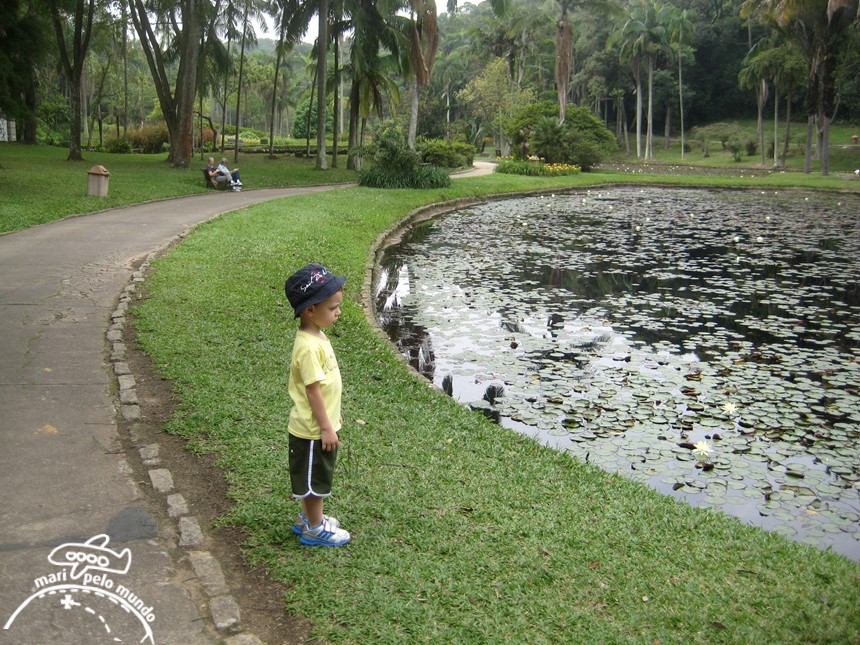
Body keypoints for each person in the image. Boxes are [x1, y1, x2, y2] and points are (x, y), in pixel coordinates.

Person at [284, 264, 351, 547]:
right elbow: (312, 392)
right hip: (312, 431)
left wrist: (334, 415)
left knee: (314, 477)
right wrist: (326, 427)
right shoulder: (309, 347)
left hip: (319, 425)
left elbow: (325, 388)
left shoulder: (317, 336)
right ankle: (314, 528)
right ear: (311, 310)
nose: (338, 312)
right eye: (333, 308)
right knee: (315, 482)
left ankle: (309, 519)